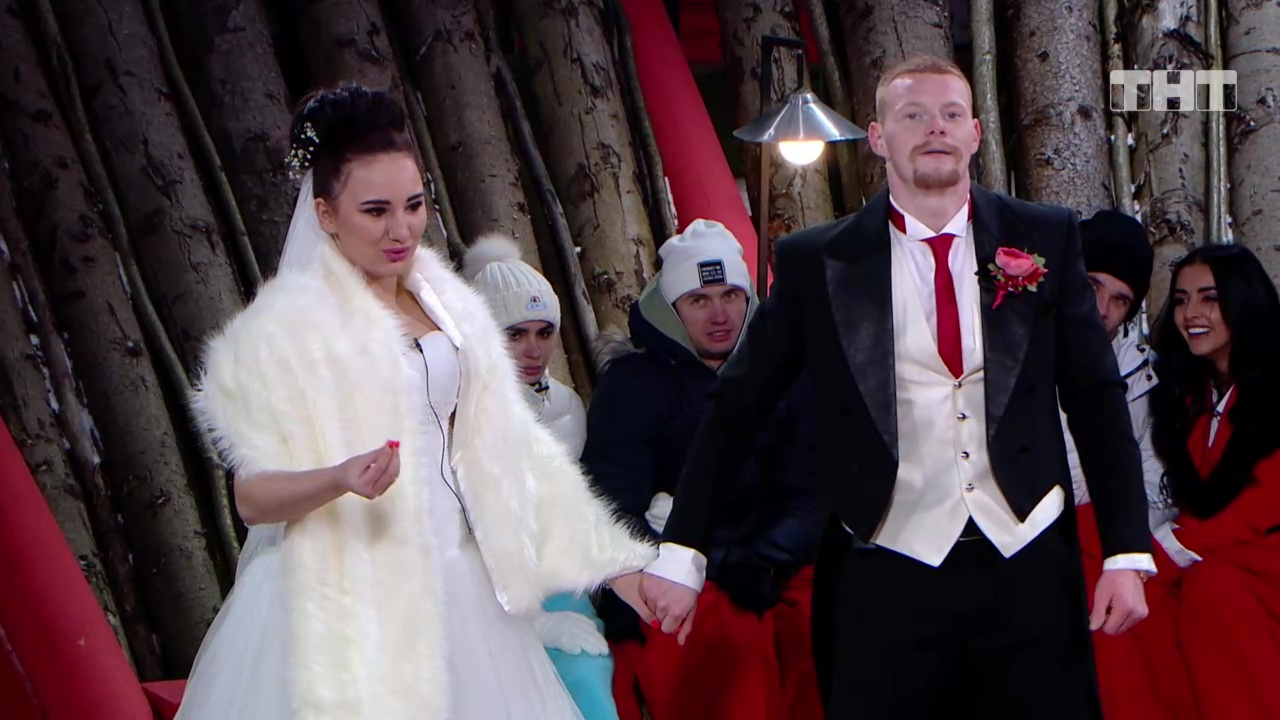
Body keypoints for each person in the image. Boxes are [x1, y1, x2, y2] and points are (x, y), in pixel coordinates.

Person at [615, 55, 1156, 719]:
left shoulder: (1047, 235)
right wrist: (683, 550)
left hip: (1029, 565)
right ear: (877, 137)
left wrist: (1127, 550)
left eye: (951, 114)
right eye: (913, 114)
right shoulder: (818, 261)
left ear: (976, 133)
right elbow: (738, 409)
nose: (935, 128)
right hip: (885, 567)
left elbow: (1097, 400)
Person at [175, 85, 655, 720]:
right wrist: (338, 477)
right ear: (325, 214)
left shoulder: (446, 303)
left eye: (413, 205)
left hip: (457, 584)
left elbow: (503, 448)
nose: (400, 230)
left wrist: (613, 562)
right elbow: (252, 496)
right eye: (375, 211)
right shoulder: (291, 329)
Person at [582, 219, 821, 720]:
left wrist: (765, 559)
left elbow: (812, 487)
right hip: (672, 567)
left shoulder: (789, 373)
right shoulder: (632, 386)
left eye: (731, 295)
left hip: (775, 561)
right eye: (699, 300)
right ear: (672, 308)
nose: (720, 315)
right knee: (723, 645)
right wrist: (692, 565)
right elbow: (611, 502)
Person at [463, 235, 621, 720]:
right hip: (481, 595)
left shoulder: (567, 406)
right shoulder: (458, 416)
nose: (534, 349)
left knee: (591, 676)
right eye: (515, 334)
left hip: (561, 583)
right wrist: (531, 625)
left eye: (544, 331)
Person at [1138, 244, 1280, 719]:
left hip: (1264, 553)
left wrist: (1170, 549)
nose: (1190, 314)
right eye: (1181, 299)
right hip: (1217, 549)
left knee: (1213, 588)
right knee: (1134, 596)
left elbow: (1263, 504)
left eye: (1209, 298)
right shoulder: (1189, 396)